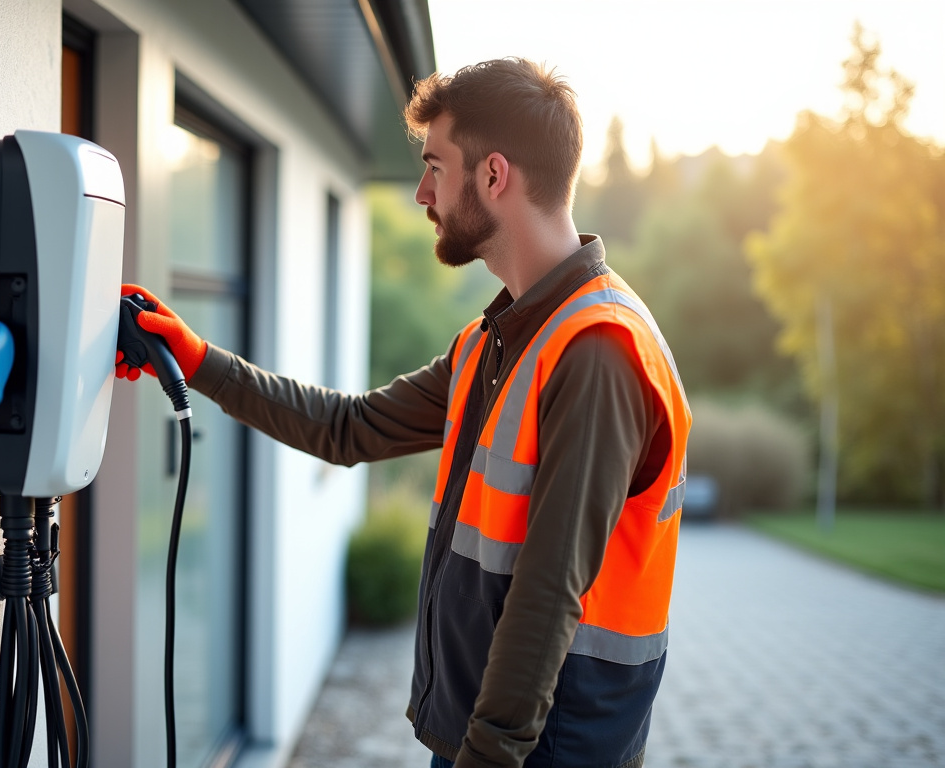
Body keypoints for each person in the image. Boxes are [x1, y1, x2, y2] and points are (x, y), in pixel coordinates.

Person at [117, 58, 690, 768]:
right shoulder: (497, 341)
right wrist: (197, 358)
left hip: (546, 749)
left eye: (435, 166)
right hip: (486, 738)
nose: (422, 191)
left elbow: (547, 595)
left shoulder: (599, 352)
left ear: (494, 176)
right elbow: (348, 427)